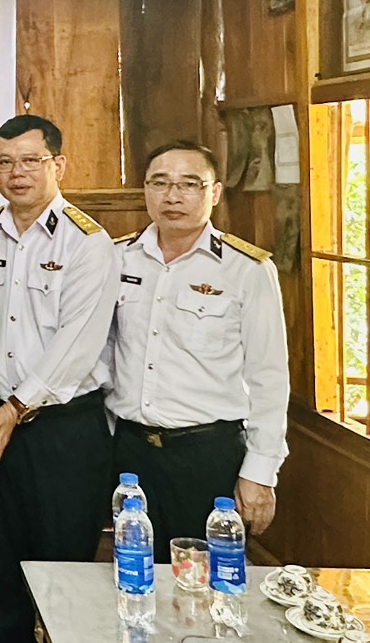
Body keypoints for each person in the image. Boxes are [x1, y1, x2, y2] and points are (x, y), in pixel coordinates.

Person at [0, 114, 119, 643]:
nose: (17, 173)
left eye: (31, 160)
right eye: (5, 162)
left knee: (62, 571)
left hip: (63, 430)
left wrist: (16, 408)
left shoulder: (87, 243)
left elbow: (77, 343)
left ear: (58, 165)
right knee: (0, 565)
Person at [107, 140, 288, 559]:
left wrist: (260, 472)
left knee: (205, 580)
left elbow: (269, 377)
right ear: (145, 190)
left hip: (207, 455)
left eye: (189, 184)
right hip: (130, 452)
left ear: (215, 192)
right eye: (160, 183)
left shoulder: (247, 269)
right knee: (132, 574)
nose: (172, 196)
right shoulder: (118, 258)